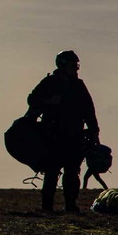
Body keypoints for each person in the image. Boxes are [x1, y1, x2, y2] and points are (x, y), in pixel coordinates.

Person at [26, 51, 99, 212]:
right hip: (53, 135)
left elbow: (89, 110)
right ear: (62, 65)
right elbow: (32, 99)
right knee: (52, 171)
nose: (76, 69)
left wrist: (94, 132)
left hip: (74, 135)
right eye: (73, 65)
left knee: (72, 172)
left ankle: (71, 205)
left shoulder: (78, 86)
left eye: (77, 65)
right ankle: (47, 206)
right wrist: (49, 101)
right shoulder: (50, 82)